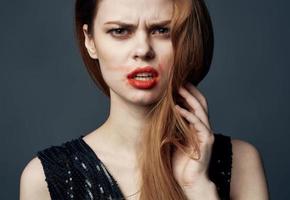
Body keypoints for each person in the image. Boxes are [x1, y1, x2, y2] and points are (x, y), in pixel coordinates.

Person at [20, 0, 269, 199]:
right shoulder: (46, 179)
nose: (143, 49)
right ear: (90, 40)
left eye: (161, 30)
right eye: (119, 31)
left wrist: (199, 189)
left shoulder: (242, 164)